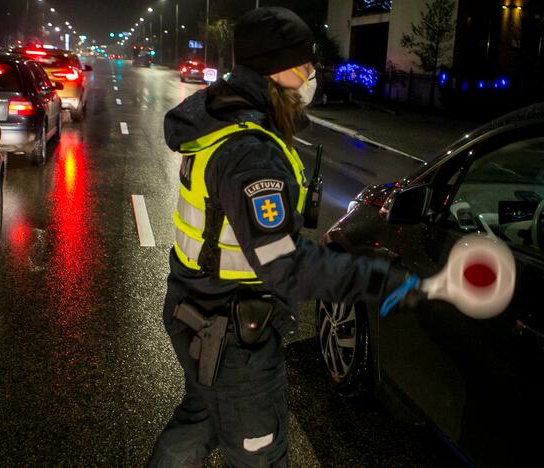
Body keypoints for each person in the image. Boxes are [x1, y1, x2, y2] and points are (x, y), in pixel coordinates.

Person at [148, 8, 417, 467]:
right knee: (260, 456)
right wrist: (381, 279)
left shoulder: (221, 119)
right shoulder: (252, 154)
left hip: (197, 309)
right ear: (277, 70)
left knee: (201, 420)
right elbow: (285, 266)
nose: (313, 73)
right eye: (305, 64)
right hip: (235, 337)